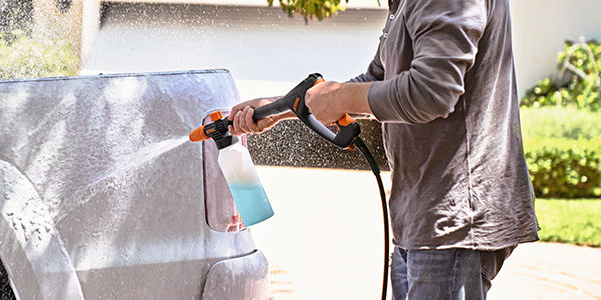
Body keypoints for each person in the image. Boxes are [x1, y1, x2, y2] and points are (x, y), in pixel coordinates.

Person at [227, 0, 539, 299]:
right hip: (422, 216)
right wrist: (280, 108)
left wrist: (339, 98)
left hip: (454, 218)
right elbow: (377, 80)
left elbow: (432, 90)